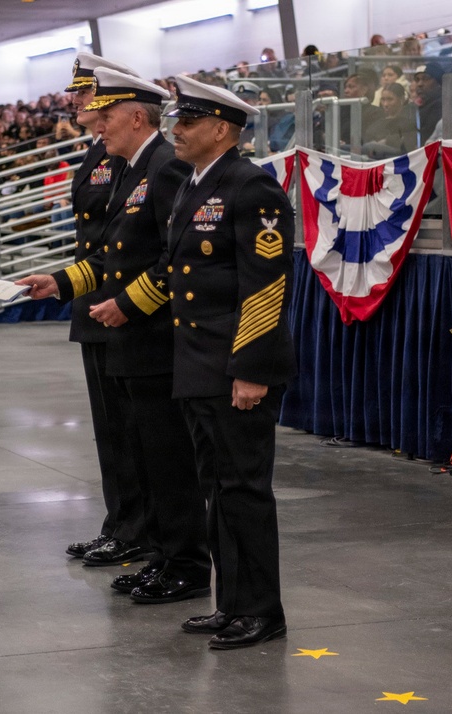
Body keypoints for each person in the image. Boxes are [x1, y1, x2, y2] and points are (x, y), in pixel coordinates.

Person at [18, 69, 211, 605]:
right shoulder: (131, 167)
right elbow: (109, 255)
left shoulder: (163, 167)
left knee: (168, 459)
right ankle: (165, 555)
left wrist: (129, 304)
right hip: (128, 329)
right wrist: (59, 282)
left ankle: (182, 561)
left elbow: (174, 259)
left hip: (156, 333)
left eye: (105, 117)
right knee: (147, 452)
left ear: (134, 116)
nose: (97, 126)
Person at [160, 74, 296, 649]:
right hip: (197, 363)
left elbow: (265, 287)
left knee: (244, 490)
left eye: (188, 123)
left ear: (221, 129)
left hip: (233, 366)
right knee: (217, 489)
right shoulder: (195, 183)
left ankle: (262, 610)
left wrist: (250, 370)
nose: (177, 131)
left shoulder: (251, 187)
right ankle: (232, 602)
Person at [56, 52, 150, 567]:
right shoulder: (100, 151)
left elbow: (121, 240)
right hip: (94, 297)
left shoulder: (122, 156)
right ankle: (120, 522)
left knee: (127, 427)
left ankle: (134, 527)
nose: (75, 100)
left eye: (83, 92)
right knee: (110, 428)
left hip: (119, 301)